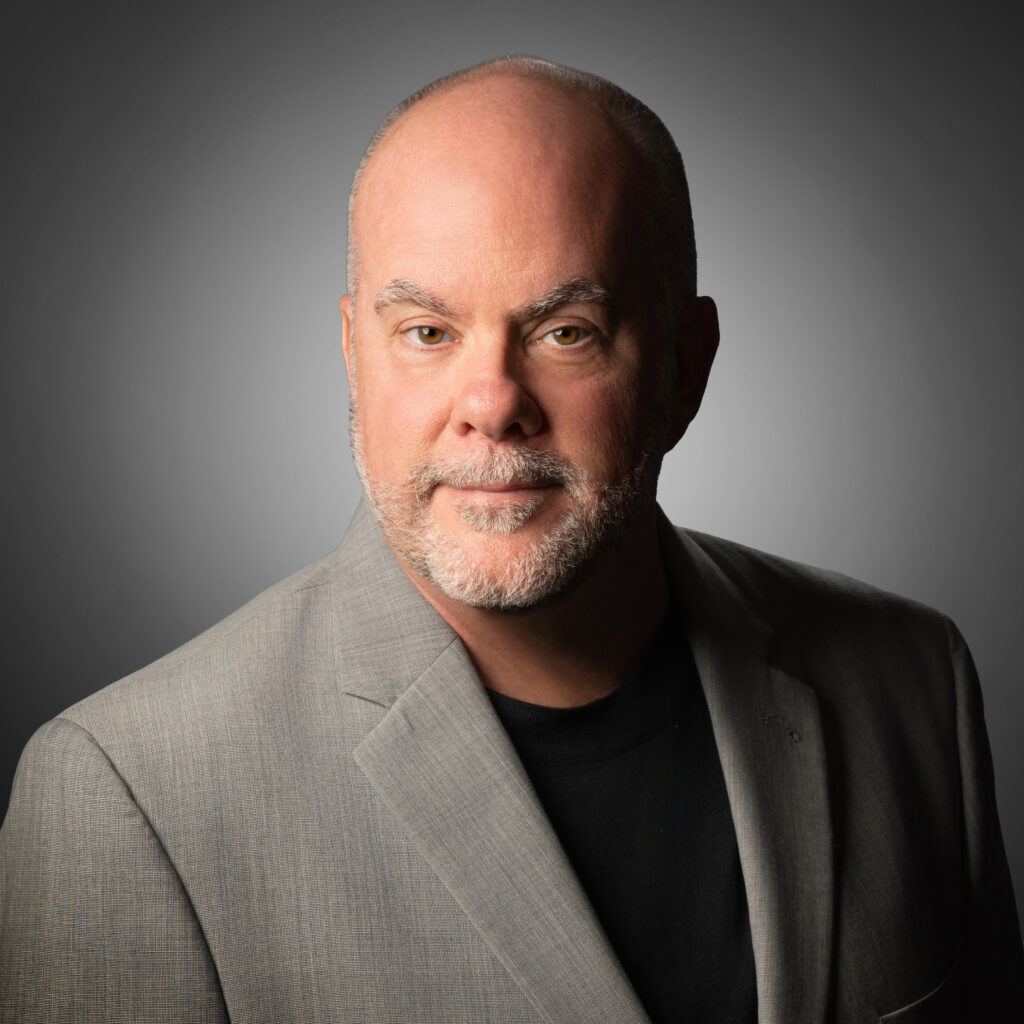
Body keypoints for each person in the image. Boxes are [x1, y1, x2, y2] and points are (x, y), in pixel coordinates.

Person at [1, 55, 1021, 1024]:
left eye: (564, 330)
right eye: (427, 333)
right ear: (354, 357)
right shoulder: (124, 797)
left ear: (683, 366)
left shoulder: (910, 681)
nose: (491, 406)